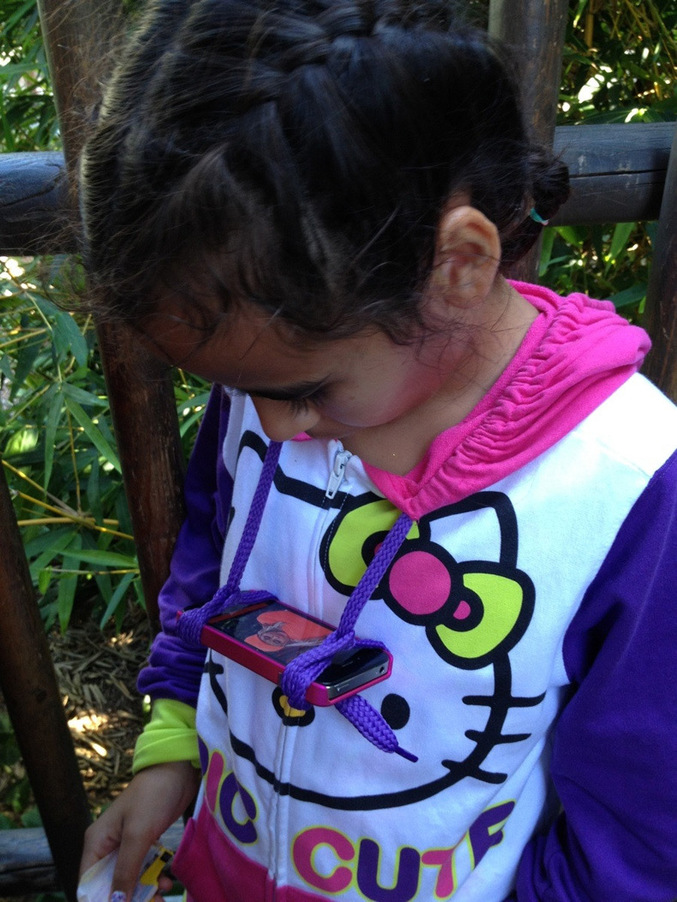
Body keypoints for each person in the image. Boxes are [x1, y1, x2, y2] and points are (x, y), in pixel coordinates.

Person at [77, 1, 677, 900]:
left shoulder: (629, 486)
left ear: (460, 266)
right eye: (241, 392)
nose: (269, 430)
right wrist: (170, 750)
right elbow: (207, 559)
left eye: (303, 392)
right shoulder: (277, 378)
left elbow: (638, 828)